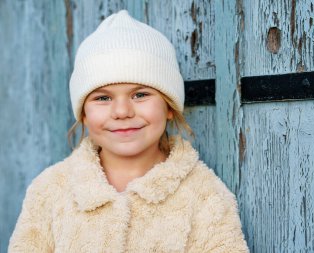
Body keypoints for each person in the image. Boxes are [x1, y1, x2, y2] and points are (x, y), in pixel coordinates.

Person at [9, 10, 249, 252]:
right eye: (103, 98)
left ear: (168, 106)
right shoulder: (49, 190)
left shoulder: (205, 196)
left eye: (140, 94)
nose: (122, 111)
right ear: (83, 113)